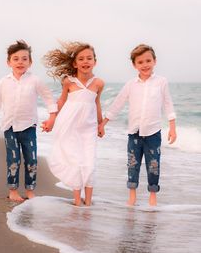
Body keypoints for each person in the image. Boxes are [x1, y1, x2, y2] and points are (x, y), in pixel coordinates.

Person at [0, 40, 57, 202]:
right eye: (16, 59)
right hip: (10, 127)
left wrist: (52, 118)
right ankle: (13, 191)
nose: (20, 62)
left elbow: (49, 98)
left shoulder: (35, 80)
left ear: (30, 62)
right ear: (9, 62)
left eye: (24, 58)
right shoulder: (4, 81)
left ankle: (29, 190)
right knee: (13, 160)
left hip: (29, 127)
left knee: (31, 160)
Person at [98, 44, 177, 206]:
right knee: (133, 164)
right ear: (134, 65)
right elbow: (118, 103)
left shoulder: (161, 82)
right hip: (134, 132)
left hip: (153, 133)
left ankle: (152, 197)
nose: (145, 65)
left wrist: (172, 127)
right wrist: (103, 123)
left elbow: (168, 104)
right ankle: (132, 196)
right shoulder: (130, 84)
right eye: (140, 62)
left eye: (148, 60)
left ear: (155, 61)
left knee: (153, 164)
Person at [44, 41, 104, 206]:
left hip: (89, 128)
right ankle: (78, 200)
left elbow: (97, 103)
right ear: (75, 63)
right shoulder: (68, 81)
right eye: (81, 59)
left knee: (90, 163)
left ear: (95, 61)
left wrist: (101, 124)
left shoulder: (99, 83)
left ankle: (89, 201)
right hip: (69, 126)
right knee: (75, 161)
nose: (85, 61)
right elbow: (62, 101)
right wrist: (52, 119)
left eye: (89, 58)